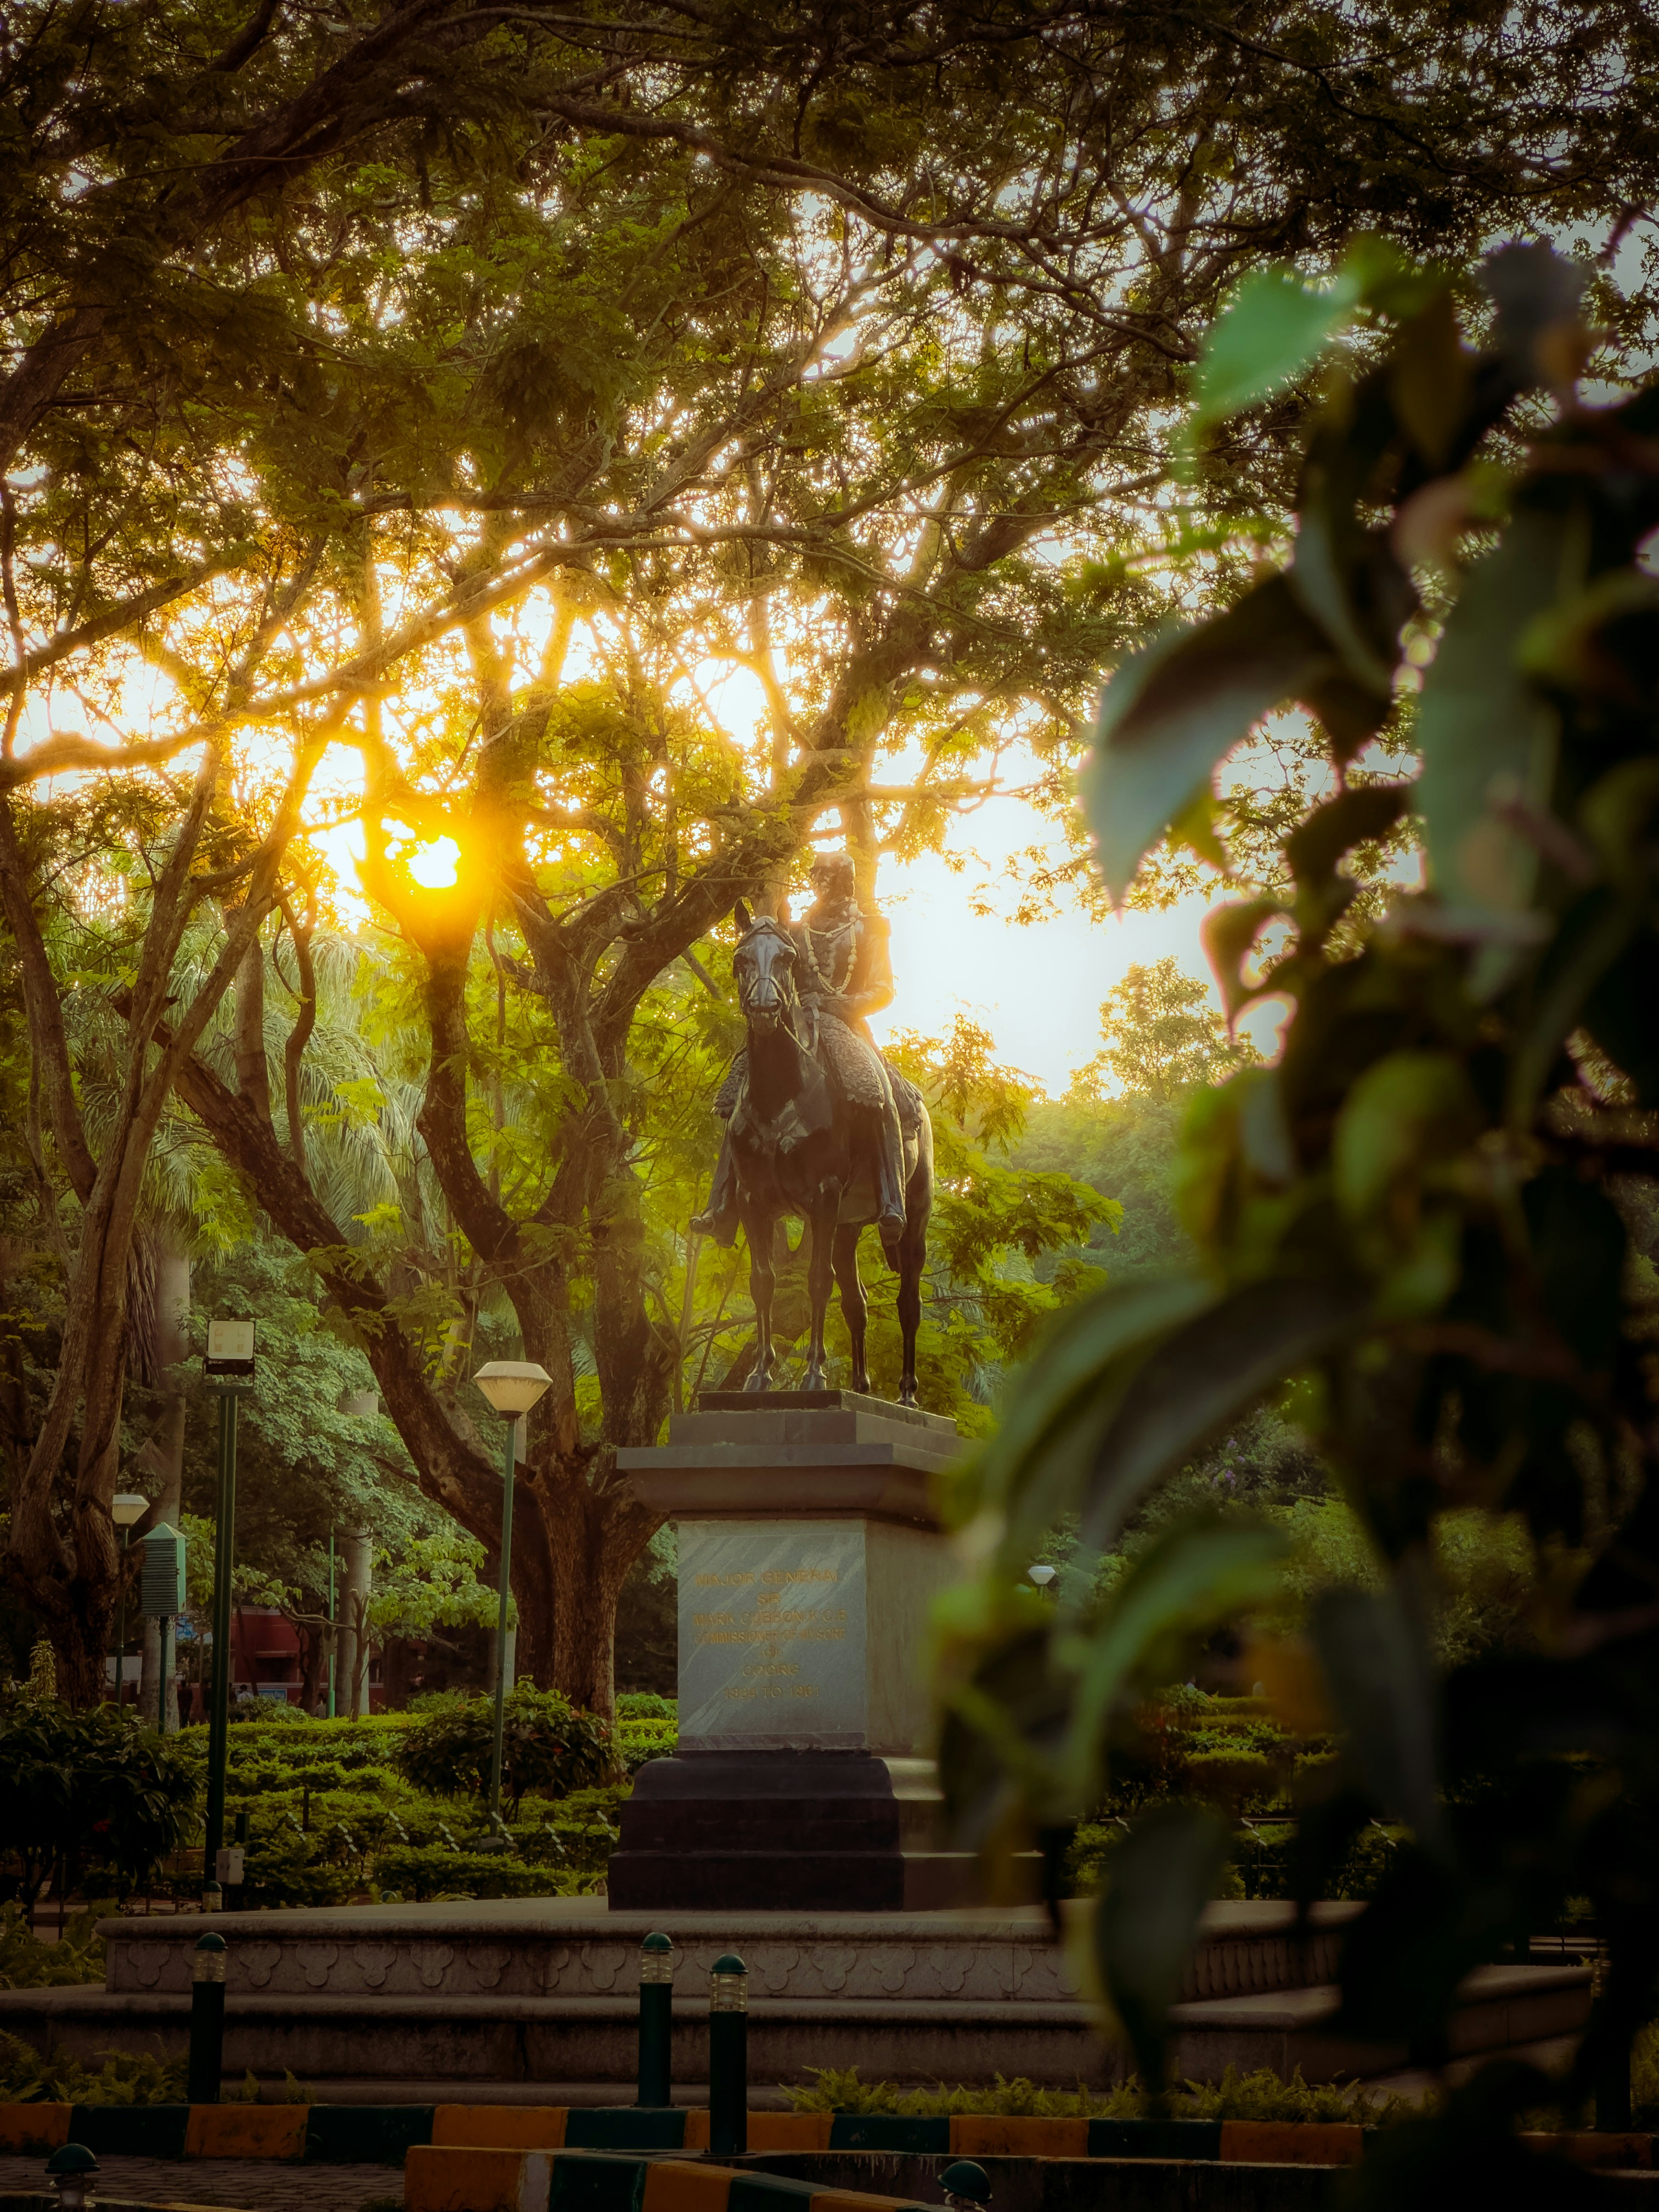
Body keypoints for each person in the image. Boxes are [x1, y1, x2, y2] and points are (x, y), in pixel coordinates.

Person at [691, 851, 909, 1258]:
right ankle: (720, 1205)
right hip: (796, 1022)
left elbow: (884, 989)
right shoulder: (796, 929)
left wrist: (839, 1005)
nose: (820, 885)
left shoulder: (870, 927)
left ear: (846, 879)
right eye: (816, 877)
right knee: (739, 1092)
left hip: (844, 1023)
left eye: (828, 878)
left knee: (873, 1086)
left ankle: (891, 1200)